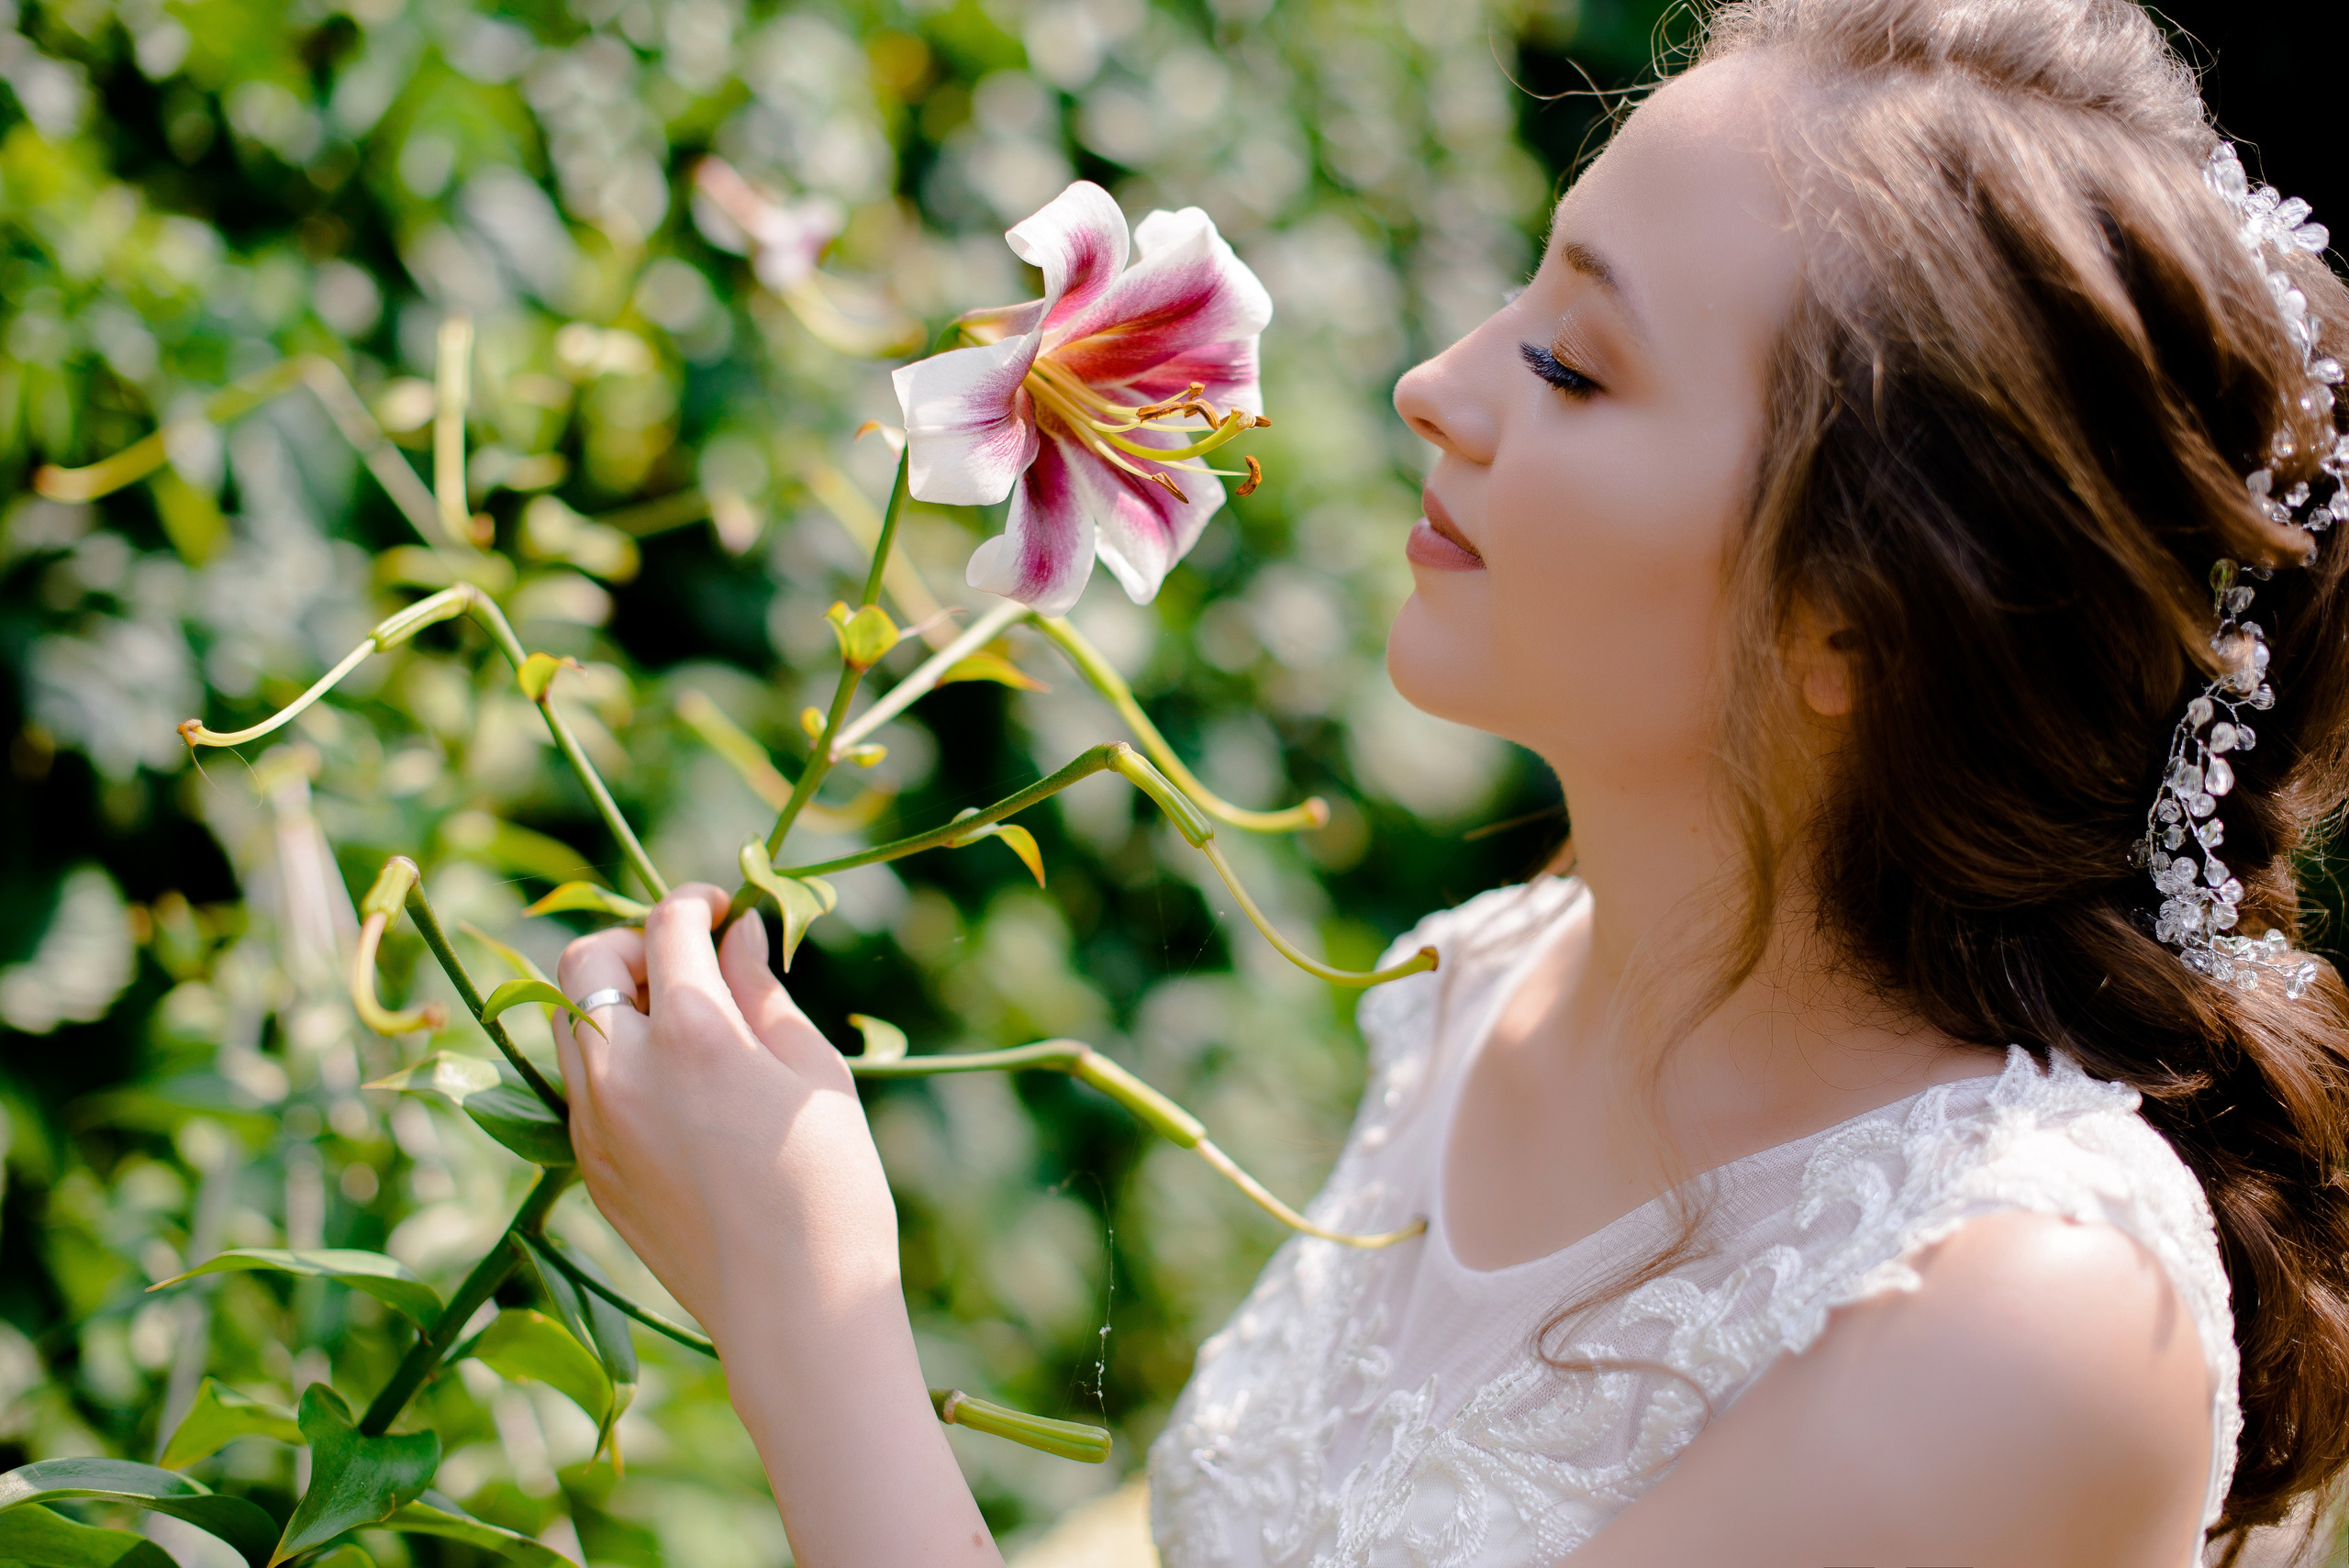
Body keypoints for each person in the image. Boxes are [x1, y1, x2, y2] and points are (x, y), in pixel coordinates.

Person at [549, 0, 2349, 1562]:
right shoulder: (1494, 977)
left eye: (1571, 363)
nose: (1430, 384)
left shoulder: (2025, 1327)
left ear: (1857, 619)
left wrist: (803, 1298)